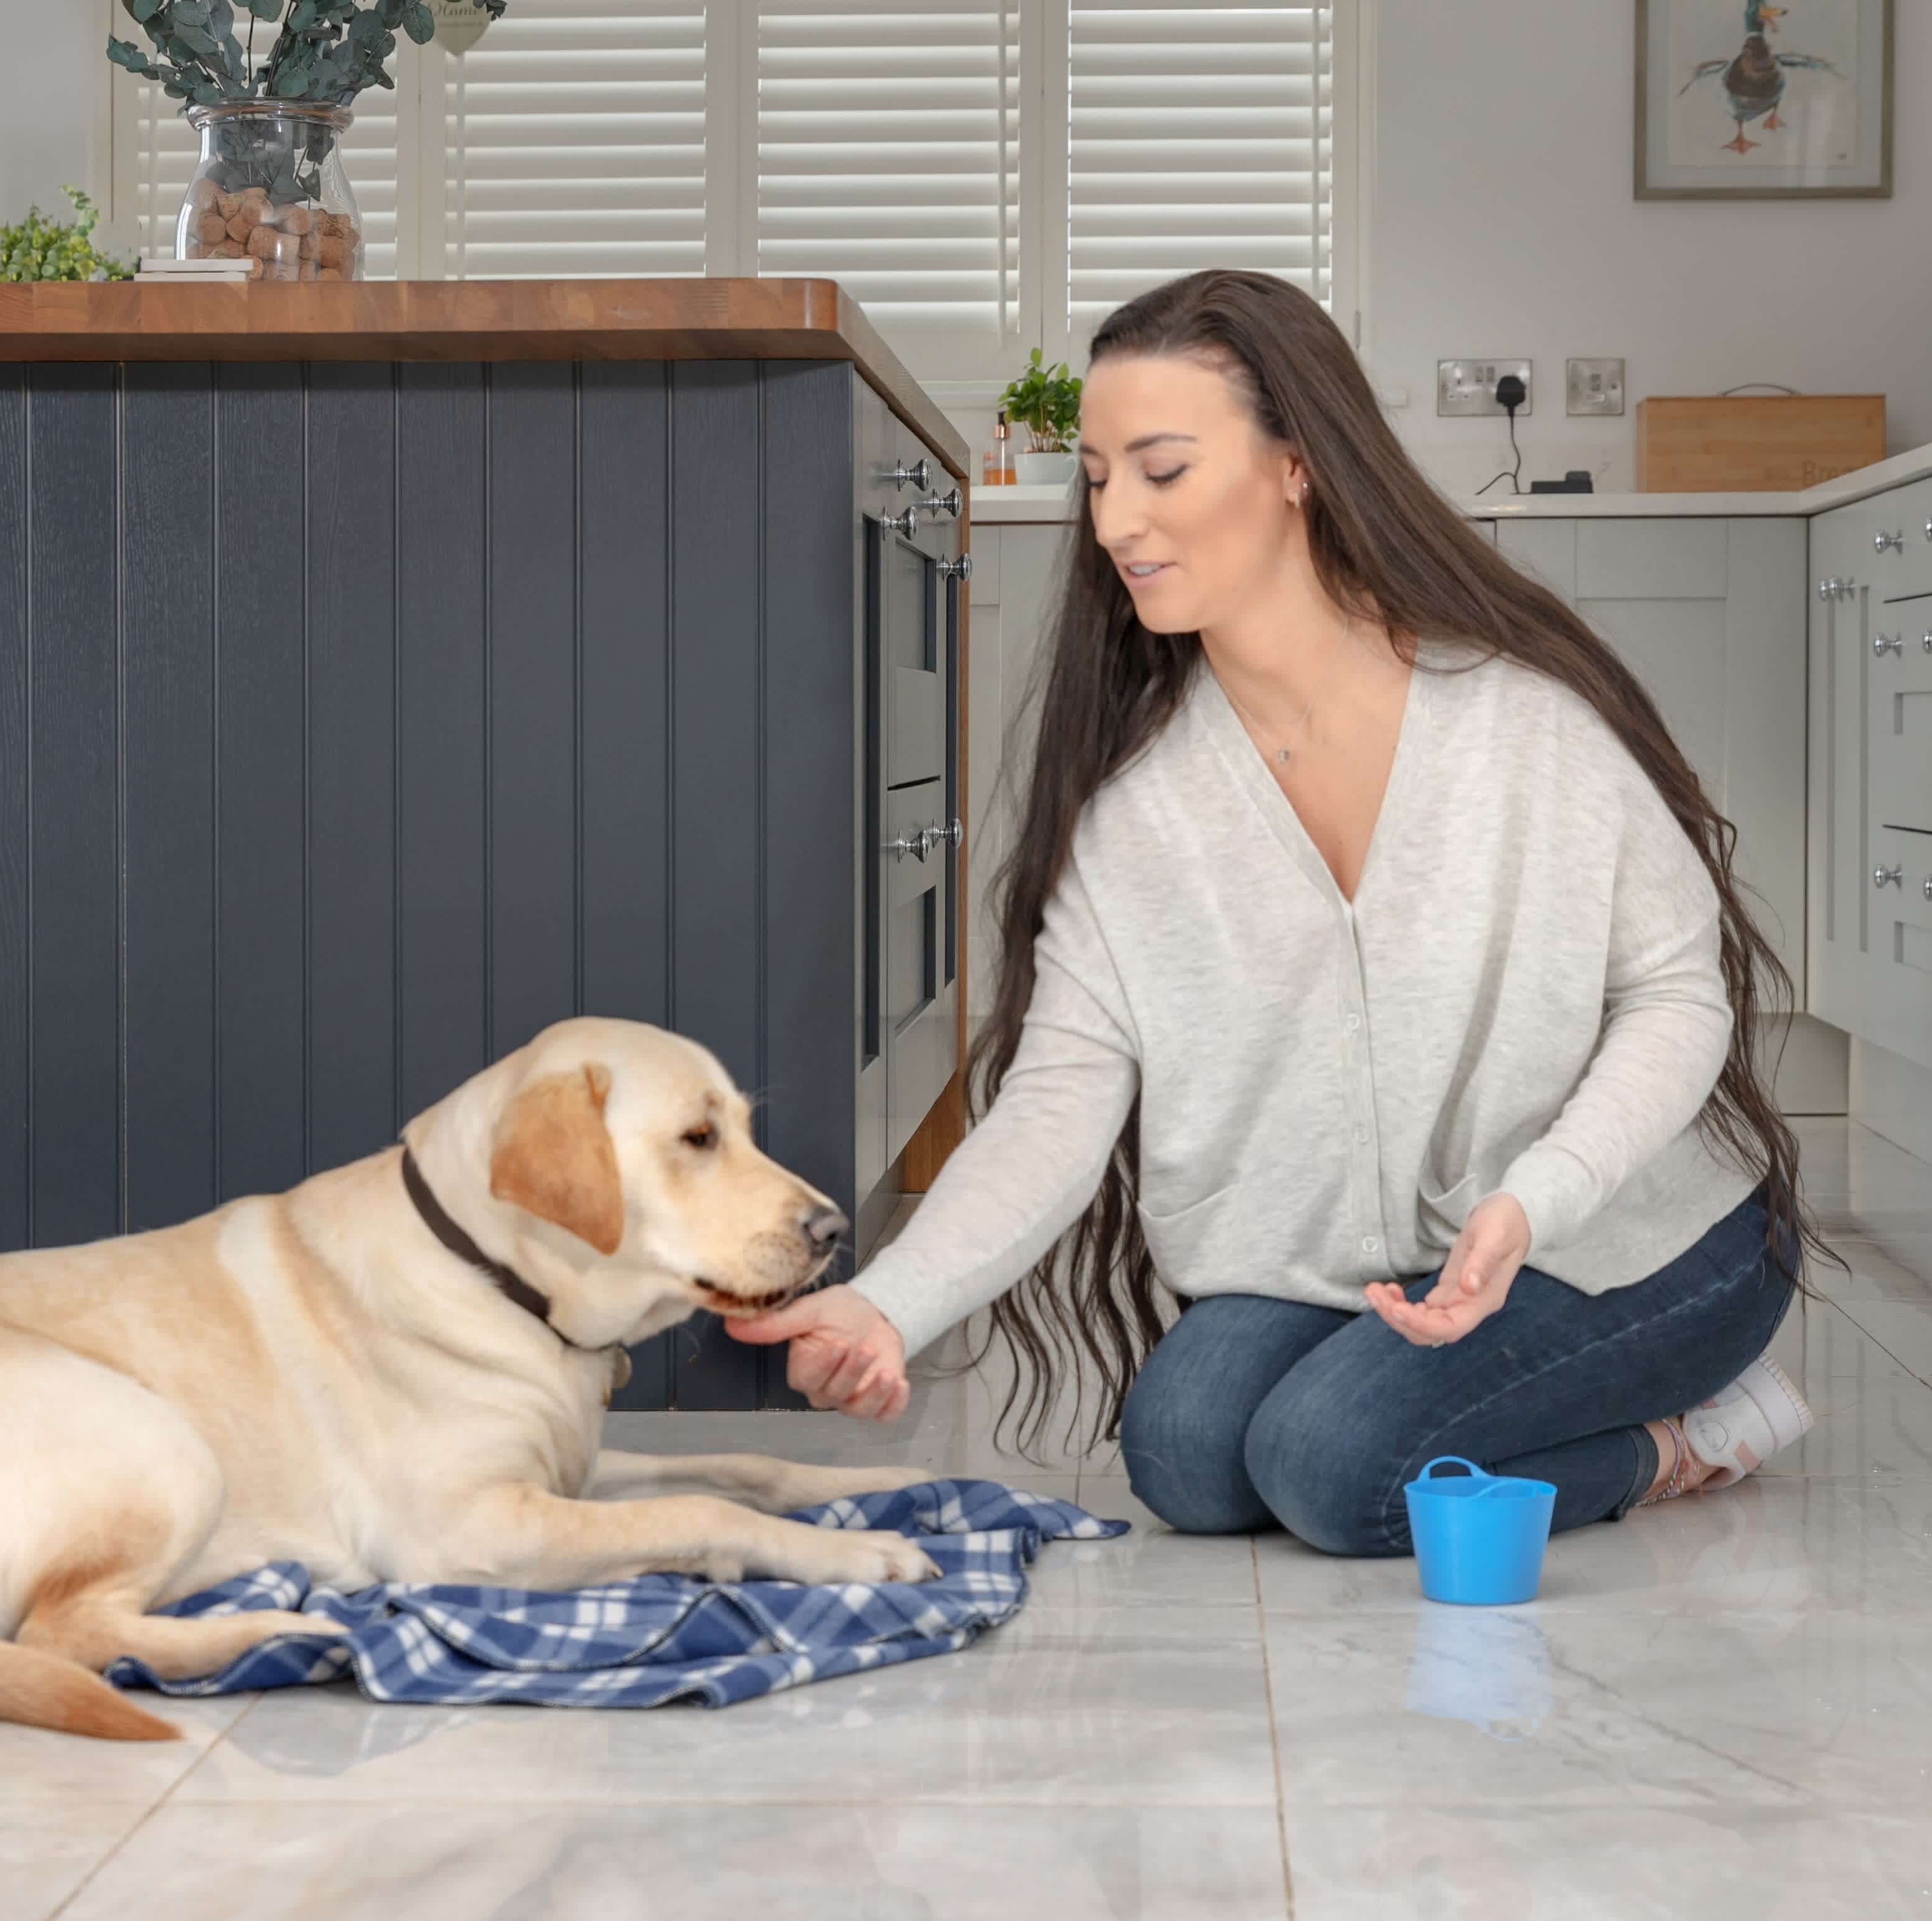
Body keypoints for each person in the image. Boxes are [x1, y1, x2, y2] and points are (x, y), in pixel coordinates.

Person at [728, 270, 1819, 1553]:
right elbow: (1060, 1101)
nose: (1116, 519)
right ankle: (1459, 1400)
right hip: (1354, 1262)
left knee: (1332, 1469)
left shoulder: (1519, 722)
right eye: (1096, 476)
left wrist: (1538, 1198)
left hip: (1629, 1241)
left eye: (1163, 469)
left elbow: (1678, 993)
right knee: (1186, 1456)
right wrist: (889, 1305)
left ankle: (1686, 1434)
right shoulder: (1139, 809)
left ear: (1296, 466)